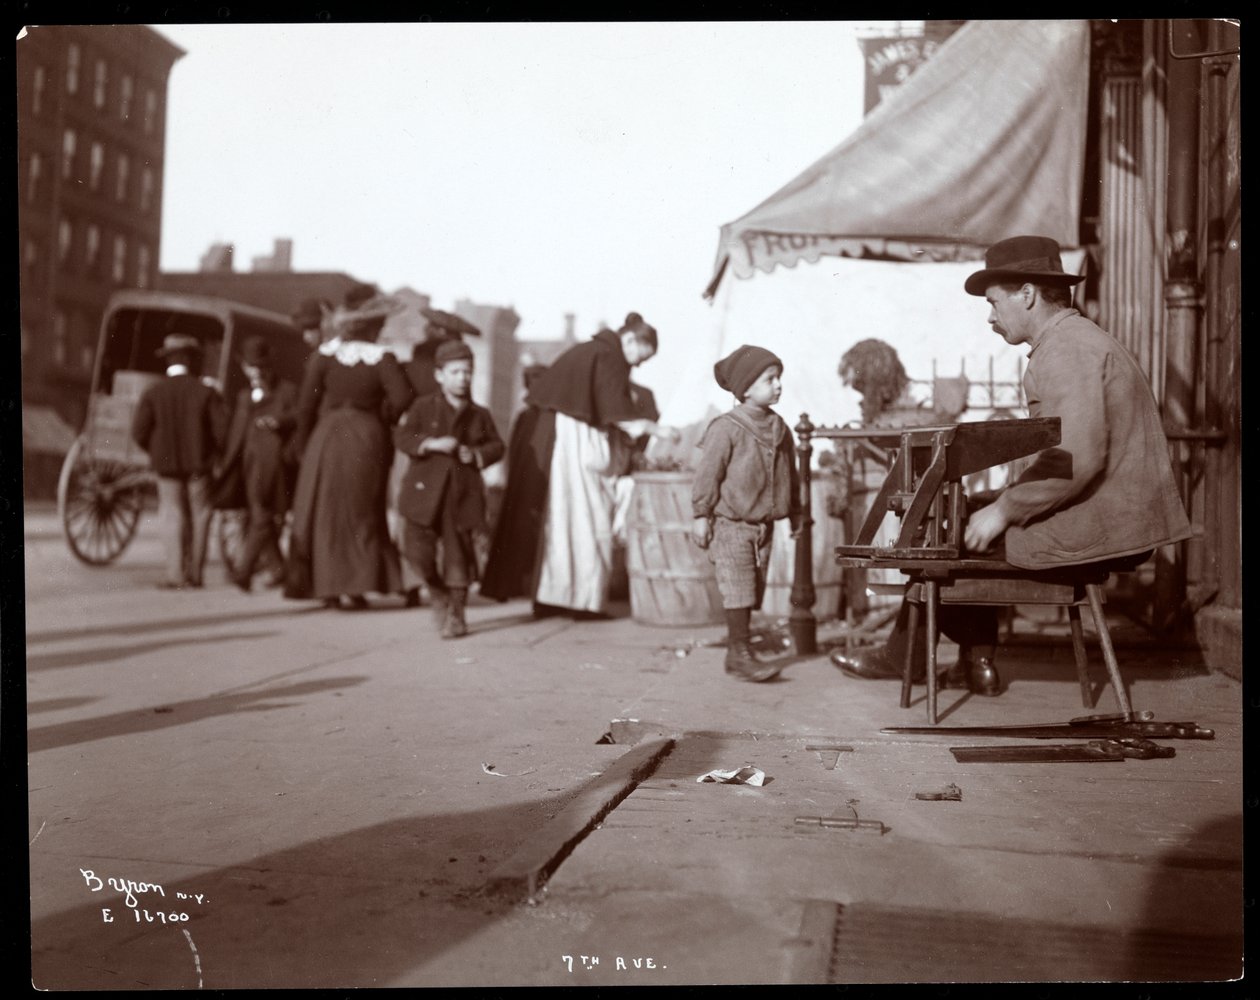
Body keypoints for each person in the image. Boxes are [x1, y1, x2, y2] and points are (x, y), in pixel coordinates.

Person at [830, 235, 1194, 695]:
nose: (990, 316)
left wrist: (1005, 509)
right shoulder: (1072, 340)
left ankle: (909, 658)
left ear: (1028, 293)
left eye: (994, 302)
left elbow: (1077, 456)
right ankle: (973, 663)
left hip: (1104, 523)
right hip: (1110, 511)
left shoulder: (1067, 349)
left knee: (950, 531)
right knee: (960, 517)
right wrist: (1000, 503)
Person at [481, 313, 680, 616]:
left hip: (556, 439)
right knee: (586, 518)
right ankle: (580, 601)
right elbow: (618, 414)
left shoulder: (594, 351)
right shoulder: (608, 356)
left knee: (558, 522)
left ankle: (552, 597)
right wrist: (657, 430)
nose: (638, 365)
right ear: (629, 339)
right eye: (642, 356)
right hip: (572, 443)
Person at [284, 285, 415, 610]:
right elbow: (403, 398)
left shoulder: (324, 356)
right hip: (367, 437)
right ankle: (356, 586)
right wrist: (380, 417)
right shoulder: (382, 359)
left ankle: (326, 587)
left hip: (327, 438)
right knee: (361, 511)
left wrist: (302, 444)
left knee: (322, 509)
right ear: (372, 325)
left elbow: (306, 406)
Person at [690, 345, 803, 682]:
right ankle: (738, 652)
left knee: (752, 587)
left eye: (779, 377)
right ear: (746, 388)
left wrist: (794, 512)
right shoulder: (726, 428)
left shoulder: (780, 428)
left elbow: (791, 475)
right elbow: (708, 472)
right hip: (730, 524)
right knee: (737, 587)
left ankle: (740, 648)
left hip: (762, 527)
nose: (778, 384)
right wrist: (701, 514)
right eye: (770, 379)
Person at [393, 339, 505, 638]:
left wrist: (477, 455)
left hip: (461, 492)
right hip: (424, 491)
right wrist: (429, 444)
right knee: (416, 551)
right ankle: (435, 589)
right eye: (455, 372)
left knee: (459, 556)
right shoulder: (422, 406)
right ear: (439, 375)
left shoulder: (479, 414)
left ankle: (456, 613)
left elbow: (497, 445)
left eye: (467, 372)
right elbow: (402, 437)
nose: (462, 378)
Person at [390, 308, 483, 608]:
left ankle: (412, 586)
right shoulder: (445, 368)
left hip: (422, 451)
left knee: (414, 520)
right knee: (438, 525)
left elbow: (400, 402)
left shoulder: (416, 362)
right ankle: (428, 583)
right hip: (435, 447)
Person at [131, 333, 228, 589]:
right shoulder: (206, 392)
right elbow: (222, 433)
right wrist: (213, 454)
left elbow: (138, 432)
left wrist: (156, 451)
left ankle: (175, 574)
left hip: (166, 466)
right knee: (201, 514)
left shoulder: (154, 393)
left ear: (168, 361)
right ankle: (195, 574)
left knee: (171, 513)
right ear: (192, 361)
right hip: (200, 465)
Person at [218, 336, 299, 592]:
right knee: (260, 516)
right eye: (252, 367)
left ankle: (243, 571)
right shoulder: (244, 396)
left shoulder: (287, 391)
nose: (256, 372)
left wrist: (280, 421)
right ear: (245, 368)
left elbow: (300, 416)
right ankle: (279, 570)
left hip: (275, 467)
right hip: (247, 469)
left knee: (262, 516)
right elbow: (236, 435)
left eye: (260, 367)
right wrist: (225, 466)